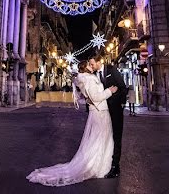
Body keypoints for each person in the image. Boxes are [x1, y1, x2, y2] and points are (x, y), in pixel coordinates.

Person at [27, 58, 118, 187]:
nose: (92, 65)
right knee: (100, 139)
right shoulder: (88, 79)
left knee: (99, 139)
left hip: (99, 111)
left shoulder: (86, 78)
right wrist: (110, 91)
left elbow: (88, 97)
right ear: (85, 67)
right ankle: (98, 166)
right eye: (89, 64)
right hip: (100, 112)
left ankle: (101, 165)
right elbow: (96, 97)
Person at [96, 54, 127, 178]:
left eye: (93, 63)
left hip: (116, 109)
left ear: (99, 61)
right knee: (106, 137)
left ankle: (115, 166)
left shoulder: (111, 69)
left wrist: (122, 103)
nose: (92, 66)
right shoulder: (95, 75)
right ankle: (107, 163)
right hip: (104, 111)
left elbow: (122, 86)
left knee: (116, 137)